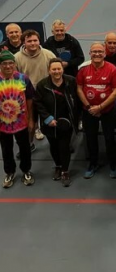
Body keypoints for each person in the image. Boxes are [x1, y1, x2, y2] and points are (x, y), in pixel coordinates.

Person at [76, 42, 116, 179]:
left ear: (104, 54)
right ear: (90, 54)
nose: (97, 54)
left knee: (109, 138)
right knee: (91, 138)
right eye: (94, 51)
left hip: (108, 110)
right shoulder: (83, 70)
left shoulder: (112, 69)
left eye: (100, 51)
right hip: (89, 111)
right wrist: (89, 107)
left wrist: (100, 107)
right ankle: (92, 164)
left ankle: (113, 164)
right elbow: (79, 89)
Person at [34, 58, 79, 187]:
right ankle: (58, 166)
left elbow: (77, 99)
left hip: (66, 122)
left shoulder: (71, 81)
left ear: (62, 69)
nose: (56, 71)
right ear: (49, 70)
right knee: (53, 146)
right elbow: (38, 103)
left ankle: (65, 171)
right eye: (53, 69)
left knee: (64, 146)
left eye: (59, 69)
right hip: (49, 122)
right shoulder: (42, 85)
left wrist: (77, 118)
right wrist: (48, 118)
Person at [15, 29, 56, 148]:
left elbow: (56, 73)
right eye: (29, 41)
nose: (33, 43)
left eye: (35, 40)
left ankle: (57, 143)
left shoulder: (48, 54)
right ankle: (29, 144)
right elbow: (15, 77)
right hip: (28, 96)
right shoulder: (16, 58)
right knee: (30, 123)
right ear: (23, 42)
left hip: (46, 94)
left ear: (39, 41)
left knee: (51, 120)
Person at [0, 50, 35, 188]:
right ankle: (10, 172)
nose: (8, 66)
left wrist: (31, 119)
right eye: (4, 64)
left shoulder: (23, 78)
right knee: (6, 149)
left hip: (22, 122)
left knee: (25, 148)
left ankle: (26, 170)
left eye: (10, 63)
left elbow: (30, 99)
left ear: (14, 64)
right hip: (2, 124)